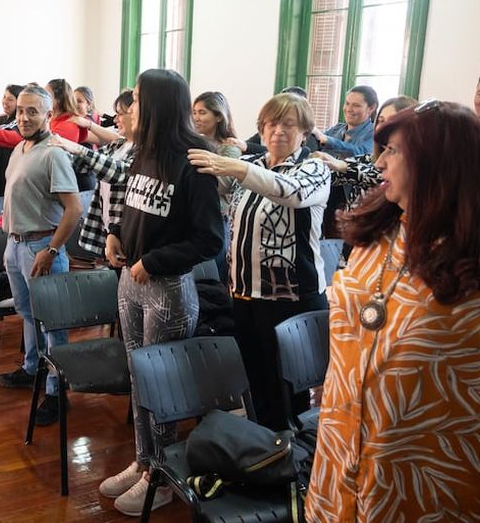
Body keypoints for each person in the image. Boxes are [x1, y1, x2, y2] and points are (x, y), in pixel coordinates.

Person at [305, 101, 480, 523]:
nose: (380, 161)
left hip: (443, 472)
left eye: (394, 151)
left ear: (439, 161)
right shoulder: (380, 228)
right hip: (345, 452)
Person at [98, 69, 223, 517]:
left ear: (157, 104)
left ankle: (163, 475)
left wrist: (152, 262)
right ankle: (144, 460)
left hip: (166, 287)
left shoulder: (196, 157)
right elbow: (134, 209)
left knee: (161, 383)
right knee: (138, 376)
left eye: (135, 98)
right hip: (131, 282)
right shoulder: (142, 151)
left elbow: (210, 239)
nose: (129, 107)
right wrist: (115, 234)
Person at [188, 92, 332, 429]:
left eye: (288, 124)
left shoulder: (314, 168)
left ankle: (289, 457)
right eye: (271, 124)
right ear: (261, 128)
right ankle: (262, 451)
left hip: (291, 299)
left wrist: (237, 166)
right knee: (255, 377)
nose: (278, 131)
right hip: (245, 293)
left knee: (286, 386)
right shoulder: (252, 166)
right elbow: (223, 195)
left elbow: (289, 191)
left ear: (304, 132)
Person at [0, 85, 82, 428]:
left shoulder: (54, 153)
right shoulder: (20, 148)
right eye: (20, 111)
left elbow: (73, 210)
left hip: (40, 247)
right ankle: (32, 368)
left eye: (33, 111)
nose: (24, 117)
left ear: (49, 115)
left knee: (52, 323)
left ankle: (57, 391)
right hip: (16, 245)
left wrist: (52, 249)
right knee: (28, 315)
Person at [51, 91, 135, 259]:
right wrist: (59, 151)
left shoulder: (144, 150)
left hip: (126, 229)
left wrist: (79, 149)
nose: (115, 119)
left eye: (120, 114)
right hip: (108, 226)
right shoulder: (118, 145)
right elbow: (82, 165)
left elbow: (117, 173)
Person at [313, 95, 418, 211]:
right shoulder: (369, 157)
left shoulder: (411, 164)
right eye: (381, 121)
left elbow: (373, 174)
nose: (382, 127)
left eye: (391, 122)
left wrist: (342, 165)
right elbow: (338, 174)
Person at [192, 91, 241, 285]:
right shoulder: (191, 142)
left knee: (213, 277)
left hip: (217, 218)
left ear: (219, 116)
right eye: (194, 112)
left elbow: (223, 185)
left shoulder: (228, 147)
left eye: (202, 113)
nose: (196, 118)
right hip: (192, 216)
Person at [311, 85, 378, 158]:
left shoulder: (375, 133)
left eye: (356, 105)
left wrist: (327, 140)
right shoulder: (335, 129)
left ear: (371, 108)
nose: (349, 109)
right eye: (347, 103)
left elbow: (362, 154)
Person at [0, 85, 25, 197]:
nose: (5, 101)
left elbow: (9, 133)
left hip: (9, 168)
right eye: (4, 97)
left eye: (10, 99)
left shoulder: (18, 120)